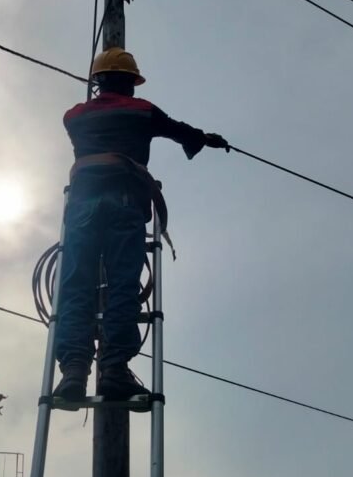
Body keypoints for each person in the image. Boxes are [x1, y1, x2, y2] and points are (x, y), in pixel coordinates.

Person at [53, 47, 229, 401]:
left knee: (76, 285)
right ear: (130, 83)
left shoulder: (74, 116)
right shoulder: (142, 111)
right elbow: (179, 130)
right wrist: (206, 139)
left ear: (98, 82)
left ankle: (74, 368)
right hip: (124, 202)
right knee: (122, 286)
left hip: (82, 207)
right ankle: (114, 369)